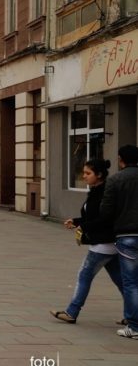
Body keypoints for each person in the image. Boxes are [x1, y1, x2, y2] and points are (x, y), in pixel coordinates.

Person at [51, 159, 123, 324]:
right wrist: (76, 221)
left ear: (99, 175)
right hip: (108, 244)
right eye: (83, 173)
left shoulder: (105, 192)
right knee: (121, 281)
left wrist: (83, 226)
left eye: (88, 173)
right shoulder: (96, 191)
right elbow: (91, 216)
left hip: (103, 243)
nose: (84, 177)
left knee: (84, 276)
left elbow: (104, 219)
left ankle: (71, 312)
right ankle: (134, 316)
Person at [99, 144, 138, 339]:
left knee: (130, 282)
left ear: (121, 159)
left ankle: (134, 326)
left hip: (126, 235)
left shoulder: (115, 180)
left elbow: (106, 212)